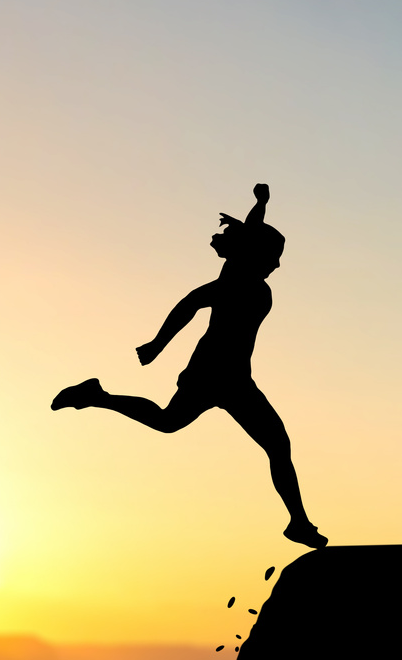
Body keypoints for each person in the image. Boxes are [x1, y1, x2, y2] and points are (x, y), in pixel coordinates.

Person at [52, 184, 327, 549]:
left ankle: (299, 523)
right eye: (273, 257)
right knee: (171, 422)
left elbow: (250, 231)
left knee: (275, 443)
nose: (277, 264)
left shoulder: (251, 281)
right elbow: (190, 303)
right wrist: (157, 344)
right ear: (255, 256)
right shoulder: (234, 283)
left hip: (237, 381)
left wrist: (261, 203)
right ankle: (97, 396)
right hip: (209, 375)